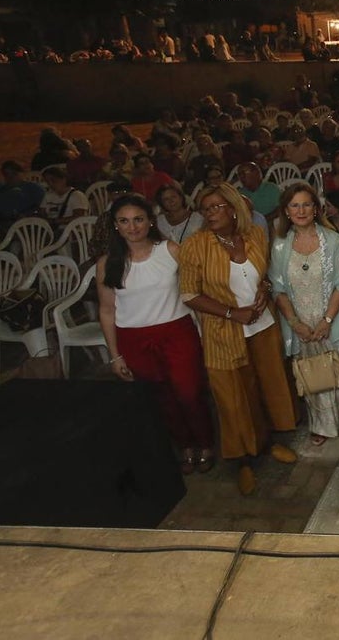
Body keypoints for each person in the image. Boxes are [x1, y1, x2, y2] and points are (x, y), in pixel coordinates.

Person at [180, 183, 299, 496]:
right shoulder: (196, 245)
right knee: (232, 397)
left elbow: (263, 276)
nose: (210, 213)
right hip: (225, 331)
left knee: (266, 385)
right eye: (206, 209)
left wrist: (263, 291)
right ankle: (242, 461)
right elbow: (189, 293)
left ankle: (269, 442)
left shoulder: (255, 236)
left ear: (234, 209)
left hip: (263, 325)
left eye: (217, 207)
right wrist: (232, 313)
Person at [96, 195, 215, 475]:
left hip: (177, 331)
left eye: (138, 219)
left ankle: (205, 442)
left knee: (189, 392)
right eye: (124, 221)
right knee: (162, 397)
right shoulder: (107, 263)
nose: (132, 227)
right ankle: (184, 445)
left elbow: (193, 294)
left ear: (150, 220)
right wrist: (115, 356)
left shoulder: (171, 250)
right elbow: (106, 311)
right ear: (115, 226)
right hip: (134, 338)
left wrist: (205, 336)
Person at [268, 183, 339, 446]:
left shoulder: (332, 240)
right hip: (300, 323)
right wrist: (295, 322)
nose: (301, 210)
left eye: (306, 204)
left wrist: (327, 320)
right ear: (286, 211)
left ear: (316, 209)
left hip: (332, 318)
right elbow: (276, 289)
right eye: (294, 205)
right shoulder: (278, 246)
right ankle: (322, 424)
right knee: (311, 373)